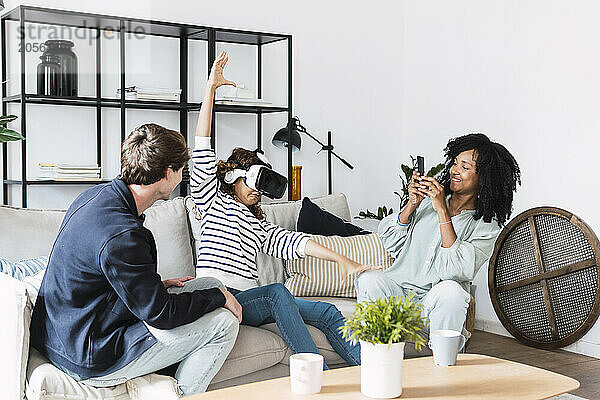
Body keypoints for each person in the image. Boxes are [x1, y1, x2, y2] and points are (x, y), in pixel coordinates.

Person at [190, 51, 378, 369]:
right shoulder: (211, 201)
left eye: (260, 182)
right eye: (250, 179)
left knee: (328, 312)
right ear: (233, 178)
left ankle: (369, 370)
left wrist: (344, 259)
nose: (255, 189)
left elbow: (298, 243)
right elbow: (202, 149)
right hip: (220, 297)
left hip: (253, 300)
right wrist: (210, 90)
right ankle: (315, 370)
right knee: (277, 292)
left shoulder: (258, 224)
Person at [30, 123, 243, 395]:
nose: (182, 177)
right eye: (181, 170)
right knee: (222, 322)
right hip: (89, 353)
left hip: (73, 329)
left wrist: (157, 288)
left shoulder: (97, 197)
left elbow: (104, 280)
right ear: (167, 174)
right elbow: (161, 314)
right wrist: (220, 299)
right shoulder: (123, 235)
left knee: (210, 283)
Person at [355, 133, 521, 339]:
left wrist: (442, 210)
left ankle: (442, 358)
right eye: (455, 163)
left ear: (484, 178)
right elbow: (391, 241)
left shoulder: (486, 227)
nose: (454, 170)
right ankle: (376, 350)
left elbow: (455, 270)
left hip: (432, 308)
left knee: (452, 291)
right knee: (370, 280)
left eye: (465, 167)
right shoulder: (426, 203)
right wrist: (412, 204)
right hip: (398, 295)